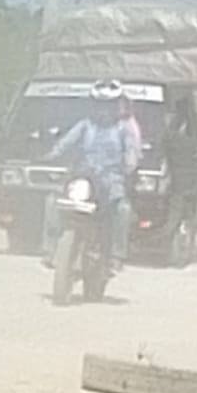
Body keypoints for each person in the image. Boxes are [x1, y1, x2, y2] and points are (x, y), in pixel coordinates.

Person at [42, 80, 140, 272]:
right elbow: (64, 144)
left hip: (112, 181)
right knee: (52, 201)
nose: (103, 110)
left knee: (123, 210)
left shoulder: (123, 129)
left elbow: (131, 153)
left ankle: (115, 256)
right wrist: (50, 155)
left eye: (109, 105)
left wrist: (129, 165)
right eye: (99, 104)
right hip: (83, 178)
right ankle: (50, 250)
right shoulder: (85, 126)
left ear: (116, 106)